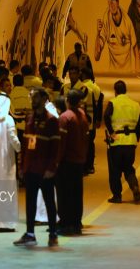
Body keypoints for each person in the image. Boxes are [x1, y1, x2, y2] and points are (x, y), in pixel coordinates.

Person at [13, 87, 60, 247]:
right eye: (32, 97)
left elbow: (55, 147)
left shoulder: (52, 120)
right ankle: (30, 233)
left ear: (44, 99)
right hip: (30, 168)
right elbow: (25, 144)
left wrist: (51, 168)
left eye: (35, 97)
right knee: (30, 202)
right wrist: (21, 166)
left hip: (45, 170)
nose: (32, 100)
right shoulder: (30, 119)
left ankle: (53, 234)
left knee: (49, 202)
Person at [56, 89, 89, 235]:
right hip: (79, 160)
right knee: (76, 193)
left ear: (67, 101)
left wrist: (56, 160)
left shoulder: (64, 117)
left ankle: (65, 223)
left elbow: (61, 143)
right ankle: (76, 222)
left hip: (66, 161)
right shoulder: (82, 115)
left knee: (64, 193)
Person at [104, 80, 140, 204]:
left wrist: (111, 132)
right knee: (128, 168)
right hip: (130, 142)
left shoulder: (113, 103)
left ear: (115, 91)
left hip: (117, 142)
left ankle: (117, 195)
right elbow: (139, 125)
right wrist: (136, 139)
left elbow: (106, 116)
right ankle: (134, 186)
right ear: (126, 90)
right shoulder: (135, 104)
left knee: (115, 170)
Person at [0, 93, 21, 232]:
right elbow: (14, 140)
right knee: (6, 189)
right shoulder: (8, 120)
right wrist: (20, 148)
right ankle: (5, 223)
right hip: (6, 161)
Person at [95, 0, 136, 71]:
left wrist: (137, 73)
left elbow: (136, 49)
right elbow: (96, 56)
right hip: (112, 75)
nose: (110, 2)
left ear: (117, 2)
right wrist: (97, 33)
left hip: (127, 75)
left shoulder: (127, 21)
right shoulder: (106, 18)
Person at [81, 67, 104, 175]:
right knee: (90, 143)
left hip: (82, 120)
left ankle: (84, 165)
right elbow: (99, 105)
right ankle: (90, 166)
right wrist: (98, 119)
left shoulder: (81, 87)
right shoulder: (96, 88)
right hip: (92, 120)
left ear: (84, 75)